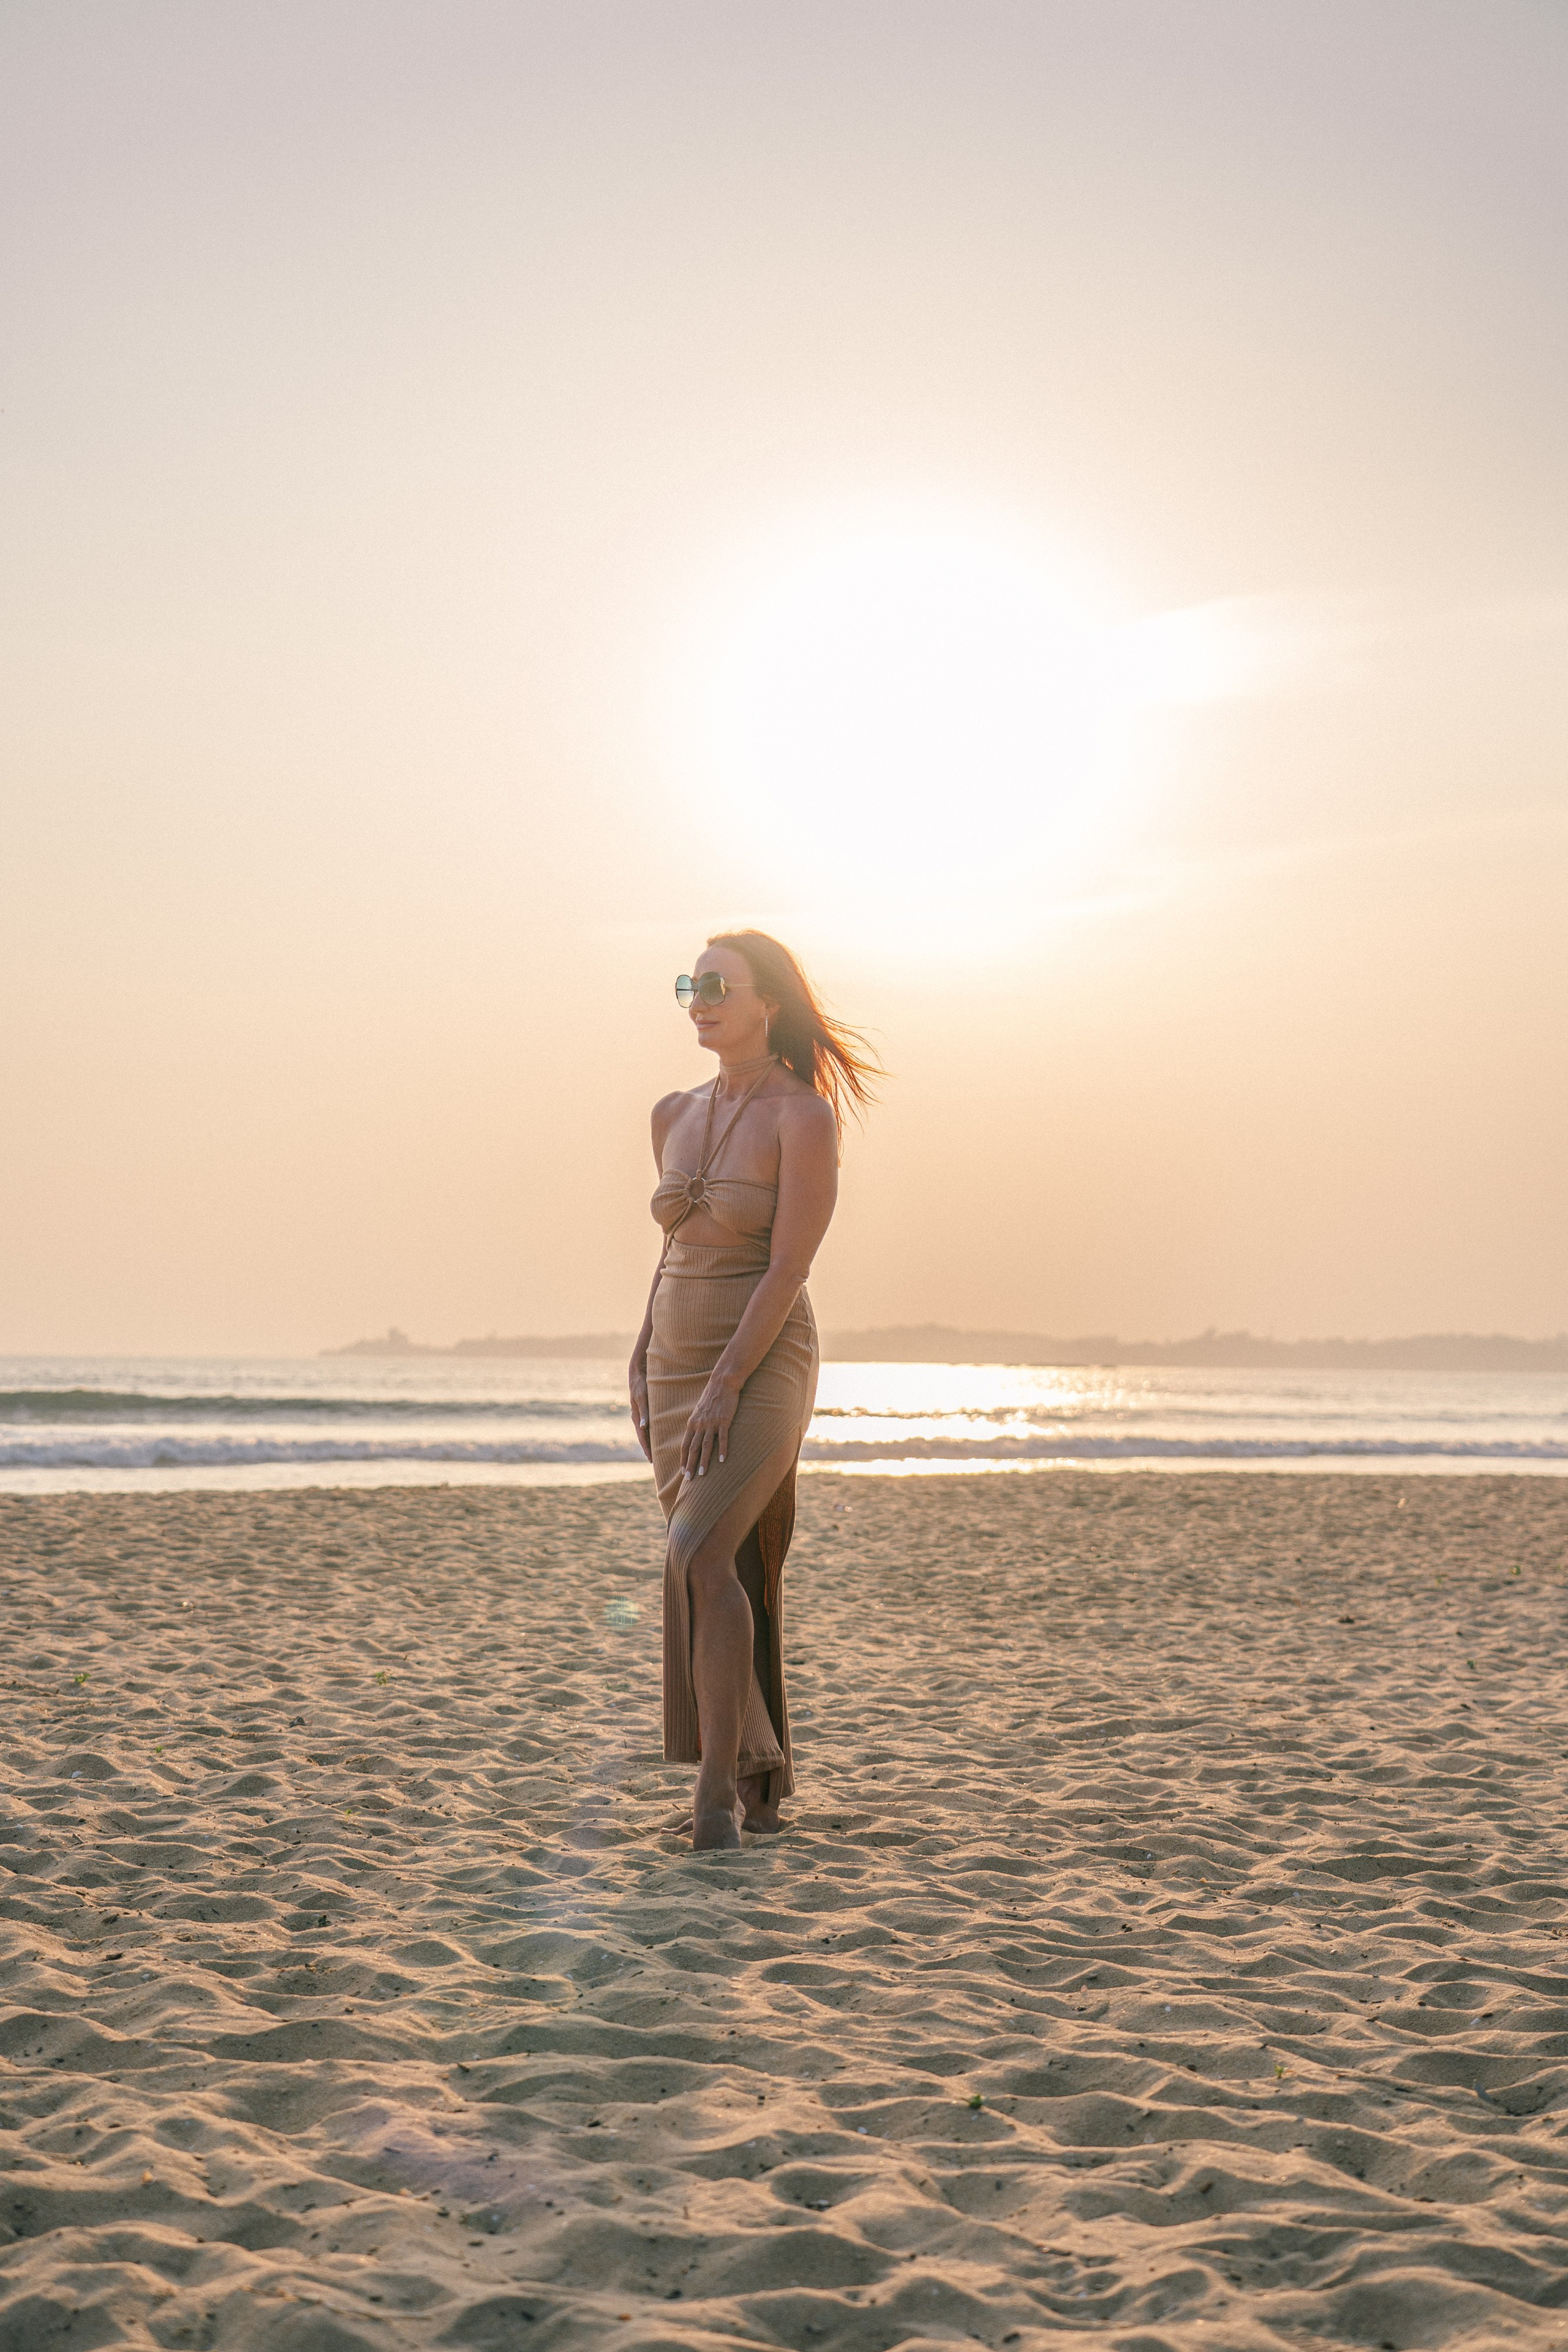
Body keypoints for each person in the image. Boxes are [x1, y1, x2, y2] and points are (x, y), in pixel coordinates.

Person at [629, 931, 878, 1850]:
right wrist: (641, 1350)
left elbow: (788, 1268)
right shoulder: (670, 1112)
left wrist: (727, 1384)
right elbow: (674, 1251)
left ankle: (715, 1802)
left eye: (718, 985)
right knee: (721, 1570)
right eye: (690, 983)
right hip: (674, 1355)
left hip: (762, 1359)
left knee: (697, 1551)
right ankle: (755, 1778)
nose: (700, 998)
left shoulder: (801, 1119)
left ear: (768, 1002)